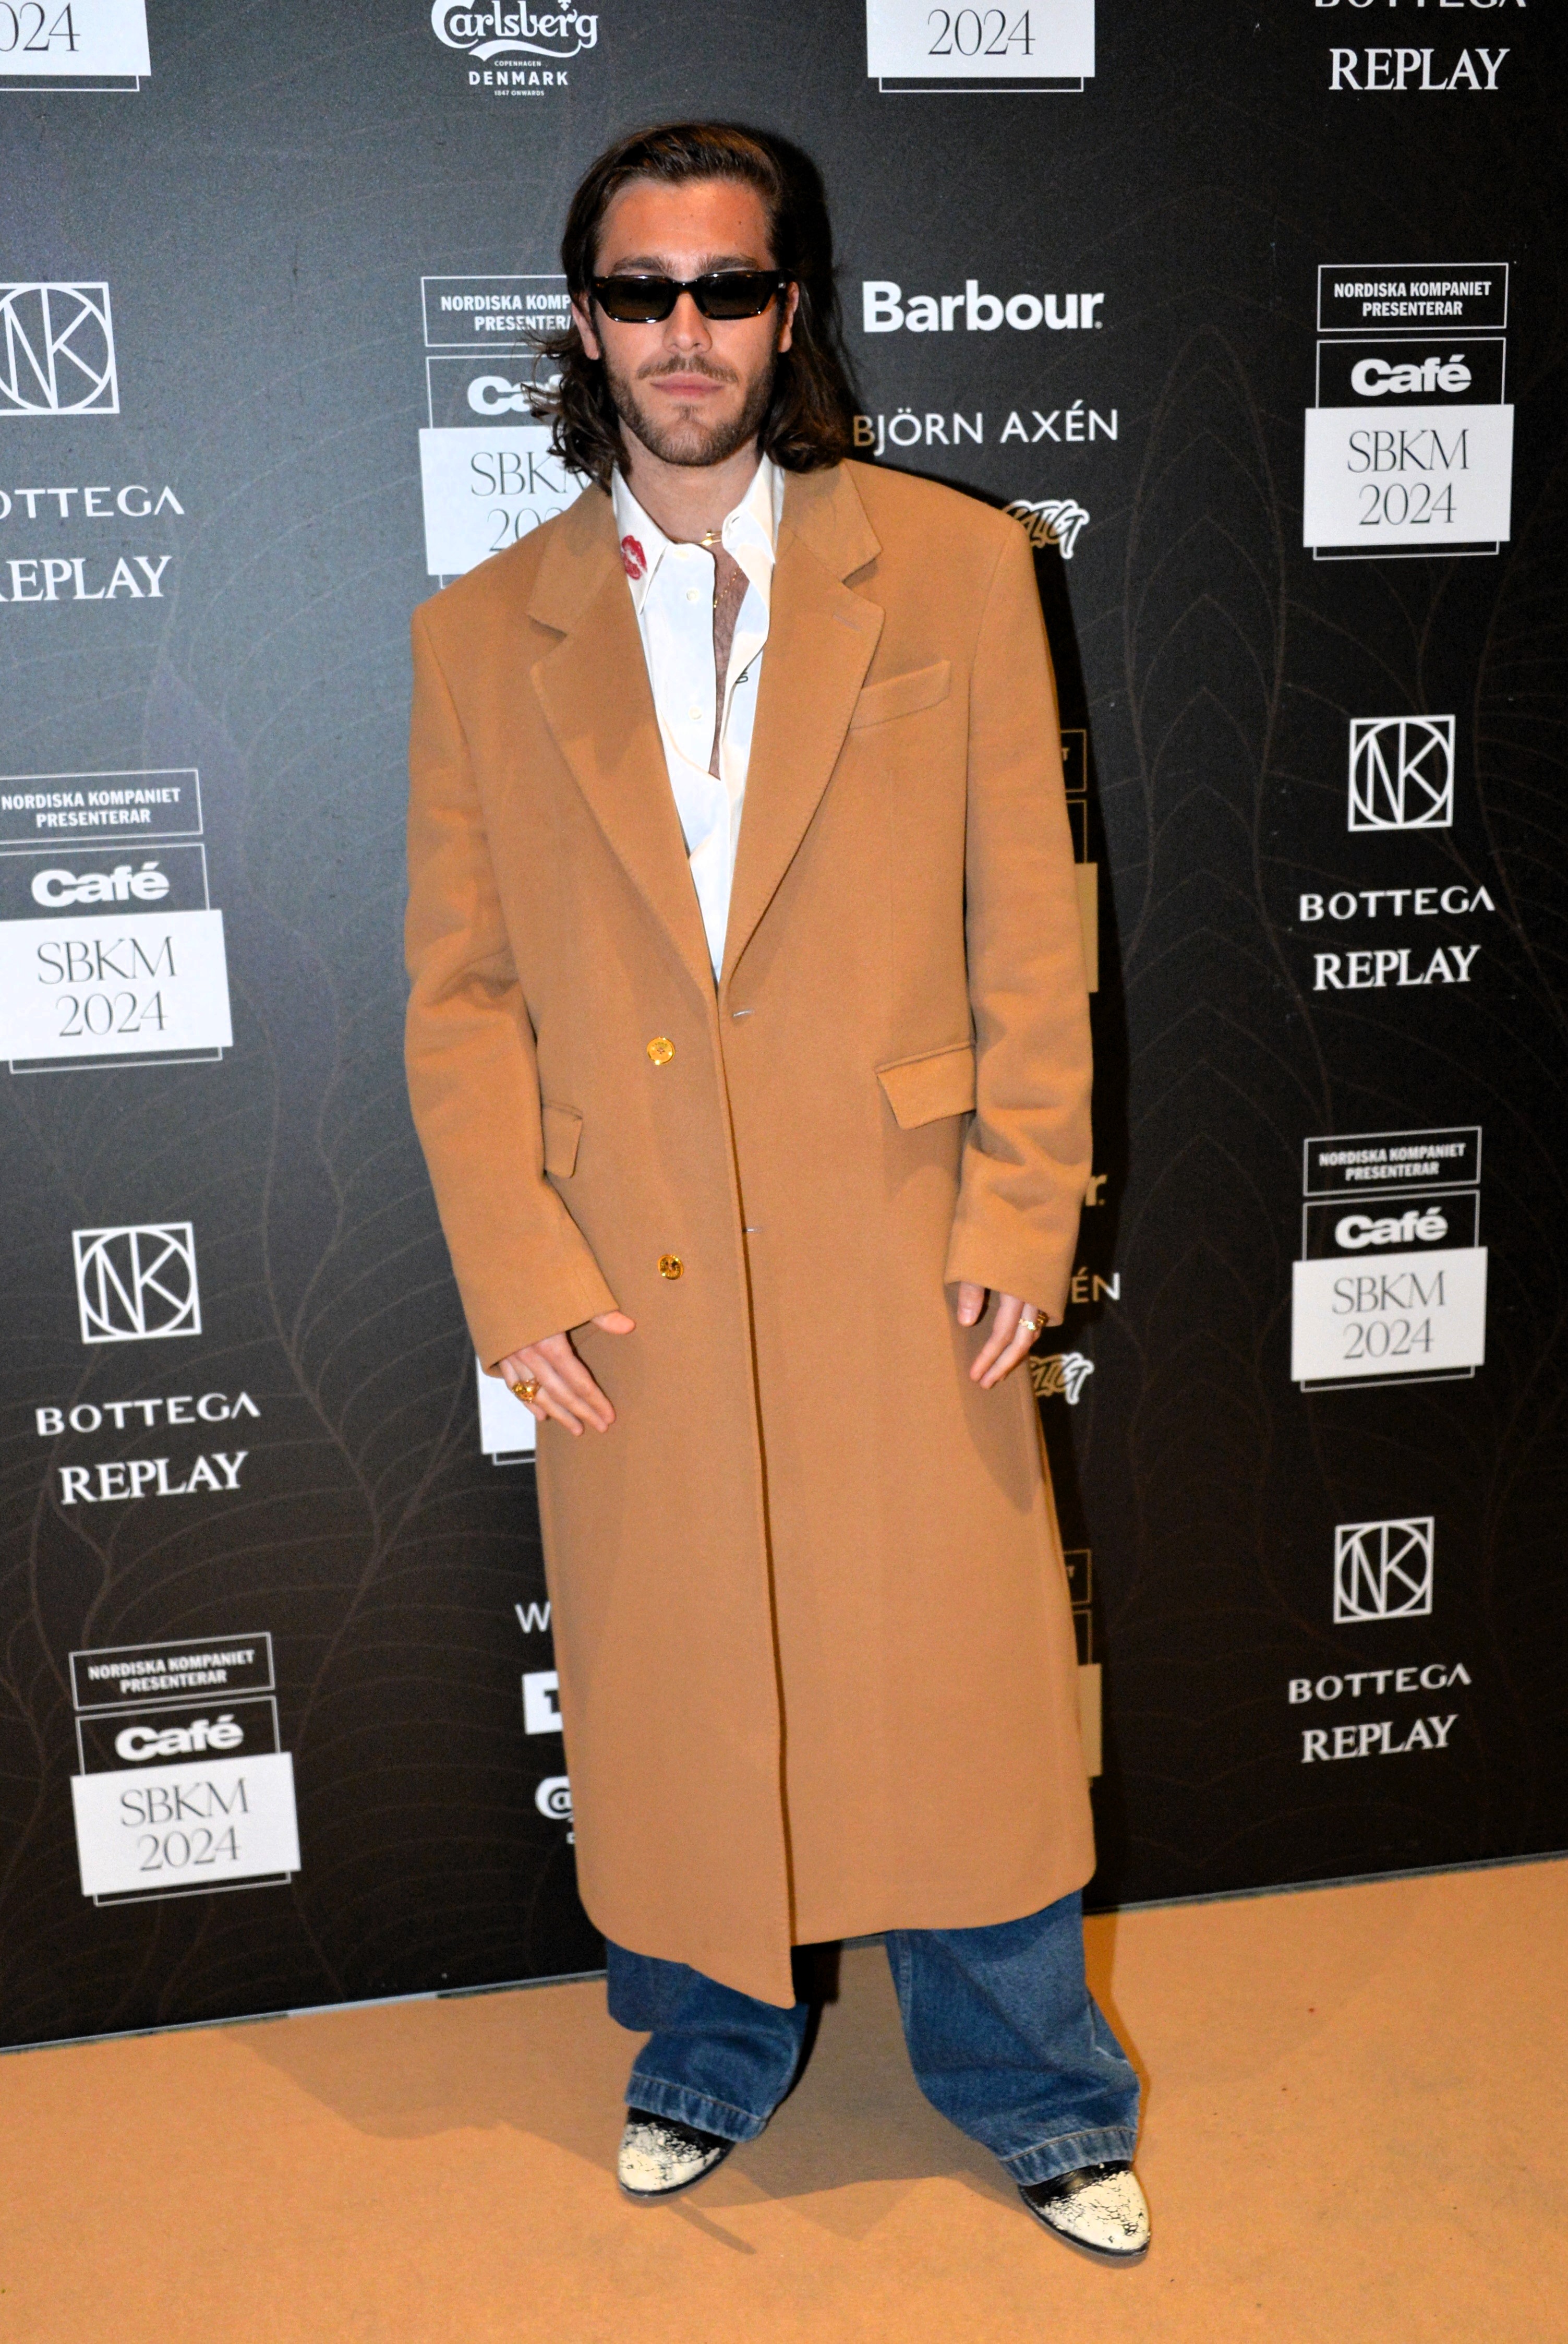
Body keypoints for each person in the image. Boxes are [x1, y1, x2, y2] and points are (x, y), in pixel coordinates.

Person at [404, 120, 1149, 2264]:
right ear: (585, 324)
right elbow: (459, 995)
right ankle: (704, 2050)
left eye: (724, 287)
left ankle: (1036, 2087)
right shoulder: (480, 637)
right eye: (640, 292)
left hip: (904, 1241)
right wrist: (513, 1263)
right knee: (673, 1688)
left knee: (957, 1687)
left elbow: (1033, 935)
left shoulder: (956, 566)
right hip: (625, 1260)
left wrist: (1020, 1208)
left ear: (785, 312)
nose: (684, 331)